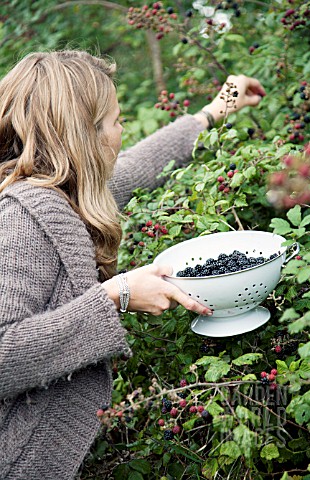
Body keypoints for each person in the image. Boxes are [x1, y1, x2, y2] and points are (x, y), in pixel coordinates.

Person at [0, 50, 266, 480]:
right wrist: (116, 294)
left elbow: (142, 164)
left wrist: (220, 107)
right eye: (117, 121)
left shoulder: (69, 195)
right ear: (86, 135)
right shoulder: (21, 219)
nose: (122, 131)